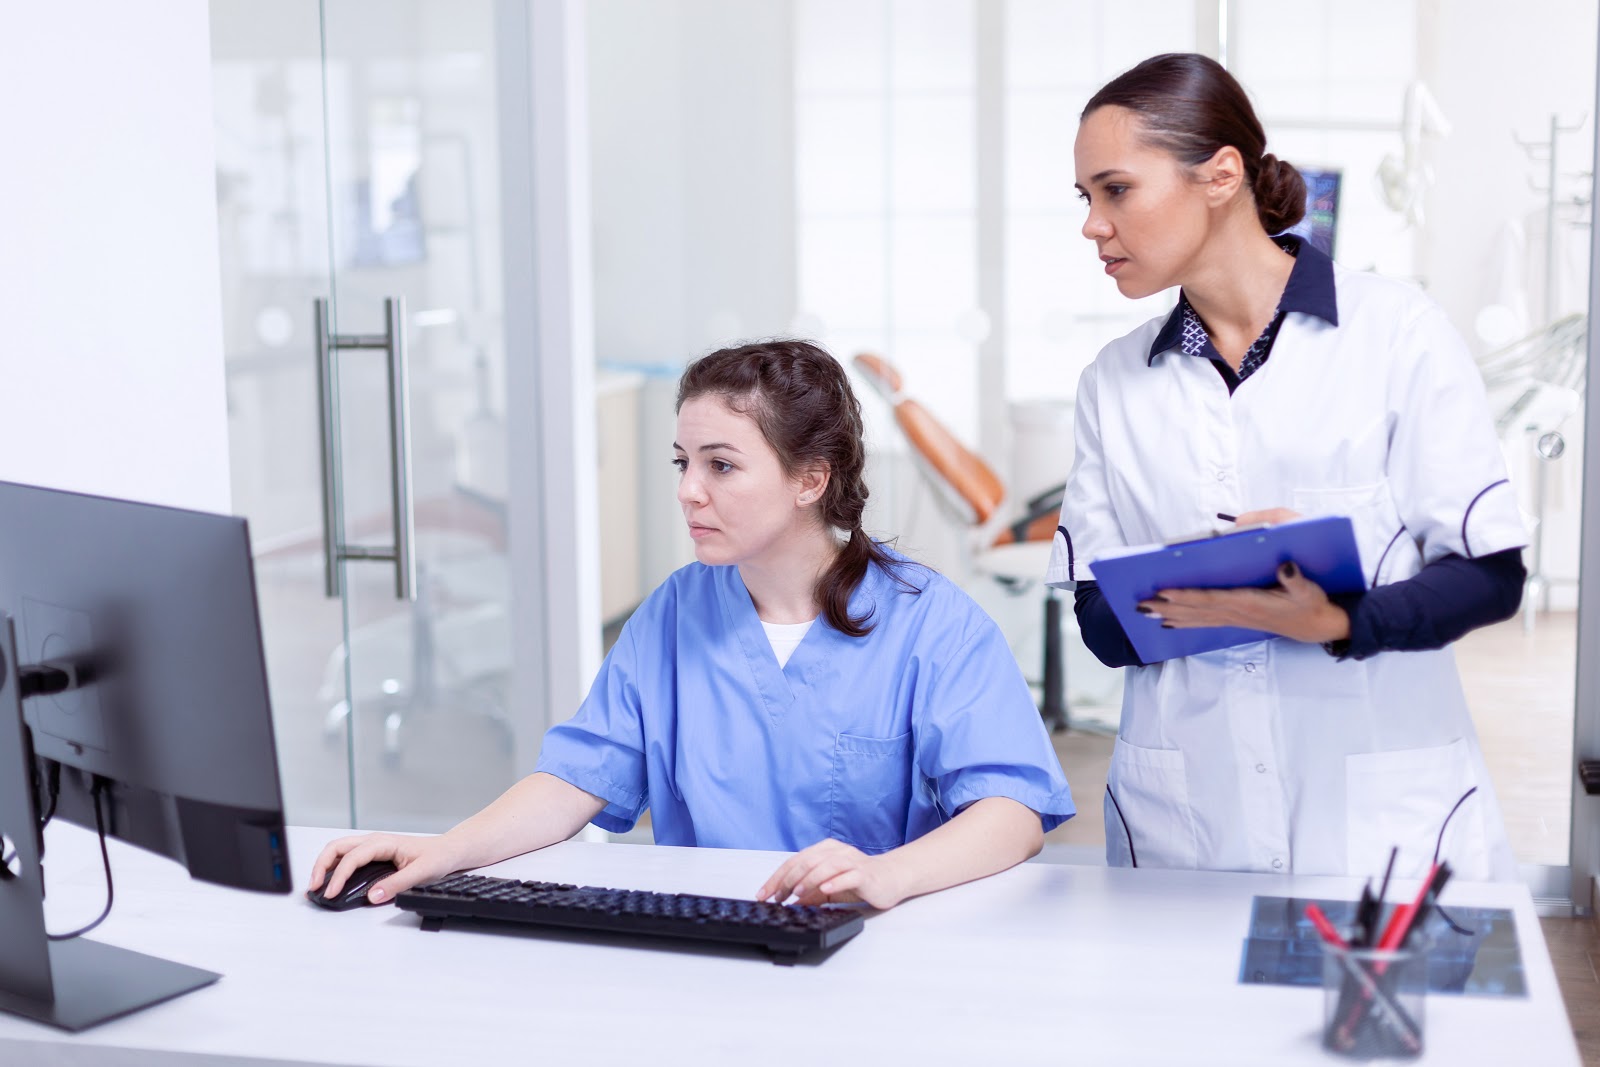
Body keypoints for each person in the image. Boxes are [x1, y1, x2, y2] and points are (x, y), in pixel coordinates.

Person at [313, 339, 1075, 910]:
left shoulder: (929, 624)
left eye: (721, 465)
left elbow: (1012, 812)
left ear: (811, 479)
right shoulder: (675, 614)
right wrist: (443, 850)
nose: (688, 491)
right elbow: (576, 779)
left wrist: (886, 875)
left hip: (875, 943)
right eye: (681, 462)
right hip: (707, 944)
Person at [1048, 53, 1526, 882]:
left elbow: (1492, 575)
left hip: (1381, 822)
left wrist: (1339, 619)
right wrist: (1217, 579)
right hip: (1188, 820)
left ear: (1220, 175)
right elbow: (1099, 621)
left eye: (1115, 189)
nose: (1093, 223)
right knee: (1183, 1014)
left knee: (1382, 1017)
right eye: (1085, 198)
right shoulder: (1111, 382)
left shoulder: (1397, 334)